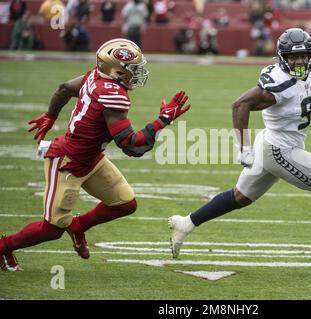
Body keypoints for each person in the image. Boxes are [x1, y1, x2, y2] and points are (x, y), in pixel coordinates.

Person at [169, 28, 311, 270]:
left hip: (279, 143)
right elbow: (240, 105)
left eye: (304, 56)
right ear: (281, 57)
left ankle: (185, 224)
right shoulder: (278, 82)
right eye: (292, 57)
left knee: (240, 197)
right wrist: (243, 147)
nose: (299, 61)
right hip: (278, 149)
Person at [0, 38, 191, 271]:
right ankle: (4, 246)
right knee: (52, 229)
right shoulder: (113, 96)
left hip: (92, 158)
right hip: (68, 162)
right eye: (133, 69)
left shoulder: (97, 74)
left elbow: (64, 88)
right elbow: (132, 146)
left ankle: (79, 226)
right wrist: (162, 120)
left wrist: (50, 115)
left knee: (125, 204)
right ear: (117, 70)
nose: (137, 73)